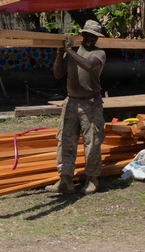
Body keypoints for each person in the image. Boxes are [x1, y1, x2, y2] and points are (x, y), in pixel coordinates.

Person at [46, 19, 107, 195]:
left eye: (94, 36)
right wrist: (59, 54)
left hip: (90, 103)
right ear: (82, 34)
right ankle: (65, 179)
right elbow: (58, 74)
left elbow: (87, 65)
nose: (90, 39)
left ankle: (92, 179)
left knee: (93, 142)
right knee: (65, 140)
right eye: (88, 35)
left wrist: (67, 51)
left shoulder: (99, 53)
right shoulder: (73, 52)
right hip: (71, 101)